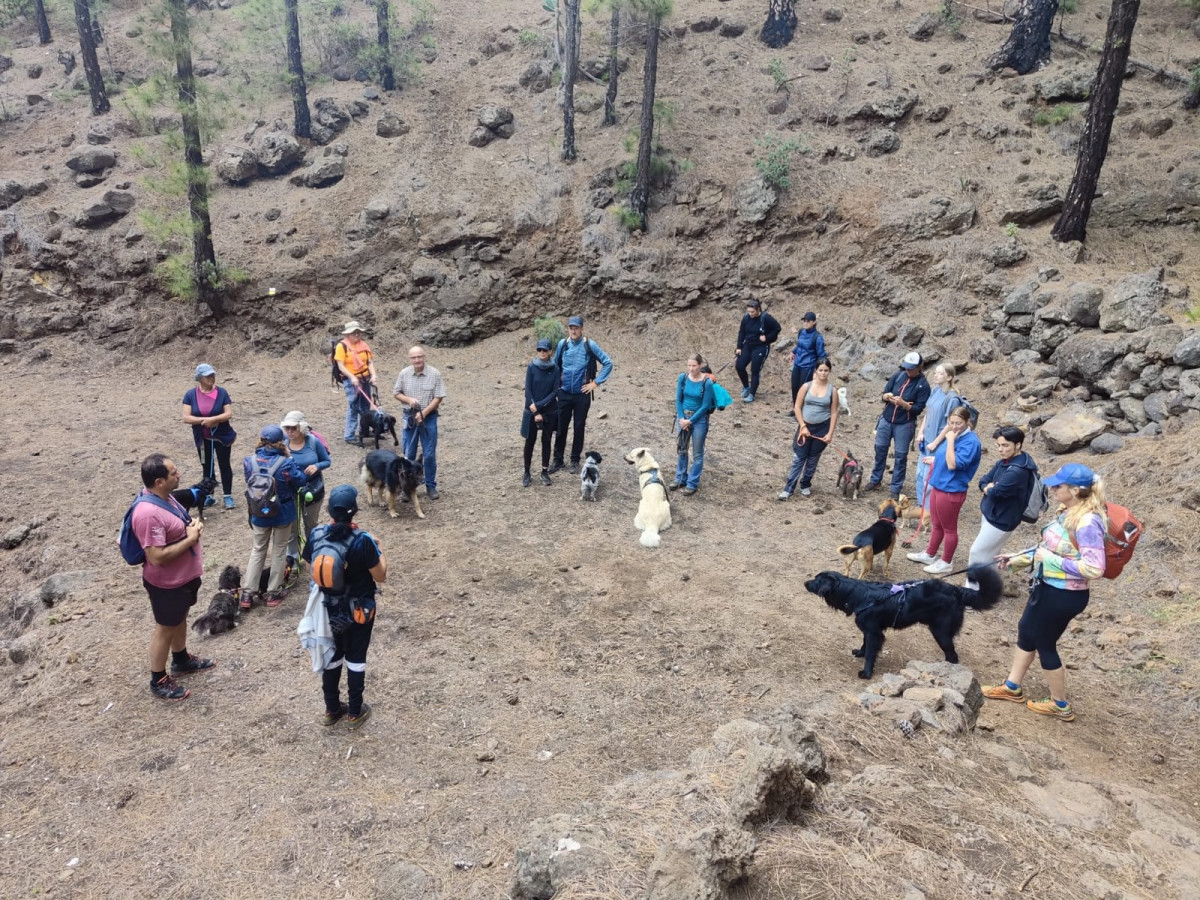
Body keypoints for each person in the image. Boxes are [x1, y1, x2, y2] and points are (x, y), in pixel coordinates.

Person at [983, 464, 1108, 722]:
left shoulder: (1087, 522)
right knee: (1026, 630)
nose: (1052, 489)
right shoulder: (1068, 512)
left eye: (1058, 486)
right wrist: (1017, 559)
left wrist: (1050, 560)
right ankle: (1012, 686)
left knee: (1044, 642)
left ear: (1075, 490)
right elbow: (1047, 548)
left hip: (1064, 595)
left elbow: (1094, 568)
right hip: (1047, 586)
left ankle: (1060, 704)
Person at [129, 453, 213, 701]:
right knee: (165, 628)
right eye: (173, 473)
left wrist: (191, 527)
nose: (179, 475)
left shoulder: (167, 498)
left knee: (180, 618)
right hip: (167, 584)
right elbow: (156, 556)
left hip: (183, 579)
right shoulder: (147, 514)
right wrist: (191, 537)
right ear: (159, 481)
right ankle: (158, 678)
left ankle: (181, 658)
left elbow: (177, 527)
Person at [303, 484, 386, 729]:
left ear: (329, 510)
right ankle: (355, 710)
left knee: (333, 654)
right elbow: (380, 576)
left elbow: (311, 566)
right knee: (356, 658)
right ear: (354, 512)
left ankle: (331, 709)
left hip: (328, 609)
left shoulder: (317, 534)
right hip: (360, 609)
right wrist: (379, 549)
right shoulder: (364, 541)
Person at [905, 406, 982, 574]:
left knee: (949, 528)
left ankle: (946, 561)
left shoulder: (970, 442)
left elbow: (953, 464)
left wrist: (951, 440)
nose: (954, 426)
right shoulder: (955, 434)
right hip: (939, 484)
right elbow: (946, 456)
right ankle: (930, 553)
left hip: (951, 490)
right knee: (936, 523)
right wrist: (935, 458)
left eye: (959, 423)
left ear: (968, 422)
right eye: (951, 422)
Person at [241, 425, 309, 609]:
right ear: (281, 442)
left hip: (258, 512)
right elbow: (300, 481)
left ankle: (247, 593)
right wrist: (289, 457)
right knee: (279, 550)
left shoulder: (249, 461)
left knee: (258, 549)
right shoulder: (285, 463)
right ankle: (273, 592)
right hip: (282, 513)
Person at [963, 426, 1039, 590]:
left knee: (977, 553)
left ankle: (972, 590)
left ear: (1018, 445)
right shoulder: (1006, 462)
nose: (1000, 449)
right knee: (989, 554)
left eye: (1005, 446)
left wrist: (989, 488)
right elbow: (984, 480)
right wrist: (987, 487)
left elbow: (996, 492)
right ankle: (986, 587)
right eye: (999, 445)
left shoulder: (1017, 471)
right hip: (994, 514)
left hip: (1000, 520)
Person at [550, 315, 613, 474]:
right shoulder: (562, 344)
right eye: (571, 327)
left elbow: (608, 363)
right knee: (560, 427)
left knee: (579, 427)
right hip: (563, 393)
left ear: (581, 329)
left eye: (576, 327)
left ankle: (574, 460)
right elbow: (555, 366)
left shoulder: (589, 345)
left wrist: (595, 383)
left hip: (582, 394)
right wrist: (556, 386)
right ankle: (557, 460)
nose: (573, 330)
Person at [866, 351, 930, 499]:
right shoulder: (898, 375)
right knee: (880, 450)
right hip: (886, 419)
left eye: (912, 368)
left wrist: (904, 405)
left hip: (905, 423)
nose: (908, 371)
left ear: (919, 367)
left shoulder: (923, 385)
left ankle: (895, 487)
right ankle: (875, 480)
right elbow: (885, 392)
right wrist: (886, 397)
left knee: (900, 457)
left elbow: (918, 409)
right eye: (907, 367)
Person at [779, 357, 839, 499]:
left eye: (826, 370)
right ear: (816, 371)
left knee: (813, 459)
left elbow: (834, 412)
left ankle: (805, 483)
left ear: (829, 372)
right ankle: (789, 488)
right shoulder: (806, 386)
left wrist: (830, 433)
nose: (823, 373)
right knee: (799, 458)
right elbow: (797, 407)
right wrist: (803, 426)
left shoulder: (833, 391)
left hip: (822, 428)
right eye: (821, 370)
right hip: (805, 427)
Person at [393, 345, 447, 500]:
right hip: (409, 418)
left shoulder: (434, 374)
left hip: (428, 418)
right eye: (414, 357)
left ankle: (430, 485)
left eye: (419, 357)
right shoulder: (404, 374)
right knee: (408, 455)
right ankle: (406, 488)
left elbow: (439, 397)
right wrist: (409, 400)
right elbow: (396, 392)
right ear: (410, 359)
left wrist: (424, 412)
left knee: (429, 454)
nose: (417, 360)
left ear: (424, 357)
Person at [181, 363, 238, 510]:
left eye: (213, 375)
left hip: (221, 437)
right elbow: (186, 417)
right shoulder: (190, 395)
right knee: (206, 465)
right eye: (208, 376)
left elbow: (228, 413)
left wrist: (214, 420)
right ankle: (209, 495)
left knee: (224, 464)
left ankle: (227, 496)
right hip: (202, 439)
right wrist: (202, 421)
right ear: (200, 378)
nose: (212, 378)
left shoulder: (222, 392)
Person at [281, 411, 331, 577]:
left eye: (293, 428)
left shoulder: (313, 441)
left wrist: (317, 466)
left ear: (301, 427)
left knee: (311, 525)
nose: (290, 432)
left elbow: (327, 461)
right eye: (287, 428)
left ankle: (313, 556)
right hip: (291, 491)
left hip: (313, 490)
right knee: (292, 526)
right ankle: (293, 559)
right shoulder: (283, 444)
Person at [912, 362, 959, 531]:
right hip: (926, 439)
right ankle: (921, 508)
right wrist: (921, 431)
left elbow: (950, 424)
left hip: (937, 443)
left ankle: (930, 514)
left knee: (928, 479)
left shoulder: (952, 398)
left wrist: (936, 442)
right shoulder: (935, 390)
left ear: (949, 377)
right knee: (919, 475)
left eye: (940, 373)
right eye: (936, 372)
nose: (935, 375)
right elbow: (928, 413)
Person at [672, 353, 716, 495]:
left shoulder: (707, 383)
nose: (691, 369)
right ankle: (680, 478)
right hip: (683, 417)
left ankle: (692, 483)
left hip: (699, 421)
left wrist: (690, 421)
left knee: (697, 453)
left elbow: (705, 406)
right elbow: (678, 399)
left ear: (700, 366)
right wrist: (682, 418)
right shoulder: (683, 378)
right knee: (682, 450)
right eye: (689, 365)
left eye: (694, 366)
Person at [522, 338, 560, 487]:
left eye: (545, 350)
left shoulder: (555, 369)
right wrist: (534, 408)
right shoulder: (531, 367)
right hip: (531, 409)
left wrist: (539, 406)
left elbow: (555, 391)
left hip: (549, 411)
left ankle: (544, 472)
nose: (542, 353)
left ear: (550, 351)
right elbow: (528, 389)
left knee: (546, 441)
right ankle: (526, 472)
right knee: (529, 441)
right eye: (539, 350)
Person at [334, 321, 378, 445]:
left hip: (365, 378)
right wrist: (352, 377)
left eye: (358, 332)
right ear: (348, 334)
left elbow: (369, 362)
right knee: (354, 407)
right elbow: (341, 365)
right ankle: (349, 435)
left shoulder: (363, 345)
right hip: (350, 380)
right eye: (354, 333)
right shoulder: (341, 346)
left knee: (365, 406)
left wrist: (373, 374)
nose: (357, 335)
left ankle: (364, 430)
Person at [734, 298, 781, 404]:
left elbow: (777, 328)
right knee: (739, 366)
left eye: (752, 312)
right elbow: (741, 332)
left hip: (761, 346)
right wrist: (739, 347)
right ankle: (746, 387)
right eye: (749, 311)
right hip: (748, 345)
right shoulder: (746, 318)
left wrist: (767, 338)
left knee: (755, 370)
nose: (750, 314)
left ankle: (752, 394)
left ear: (758, 309)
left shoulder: (766, 318)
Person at [788, 311, 827, 408]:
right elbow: (799, 345)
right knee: (794, 387)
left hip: (808, 366)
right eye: (804, 321)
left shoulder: (817, 337)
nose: (805, 323)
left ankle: (802, 411)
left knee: (803, 389)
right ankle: (795, 409)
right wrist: (793, 352)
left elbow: (821, 355)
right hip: (797, 364)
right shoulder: (801, 332)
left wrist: (817, 371)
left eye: (808, 321)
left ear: (814, 322)